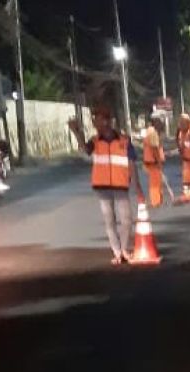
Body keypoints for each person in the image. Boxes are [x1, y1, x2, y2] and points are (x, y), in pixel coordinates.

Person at [69, 106, 145, 265]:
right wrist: (76, 131)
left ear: (107, 121)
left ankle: (124, 249)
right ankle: (117, 252)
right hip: (102, 187)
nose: (96, 124)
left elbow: (132, 163)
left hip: (121, 186)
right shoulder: (95, 141)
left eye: (98, 120)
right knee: (110, 221)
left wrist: (137, 185)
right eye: (95, 121)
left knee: (126, 220)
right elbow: (85, 149)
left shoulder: (124, 141)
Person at [142, 116, 166, 208]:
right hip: (154, 162)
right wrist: (159, 161)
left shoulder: (150, 132)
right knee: (155, 183)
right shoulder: (153, 133)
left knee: (156, 181)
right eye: (159, 123)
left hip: (151, 161)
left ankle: (158, 200)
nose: (160, 125)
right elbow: (154, 148)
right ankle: (155, 201)